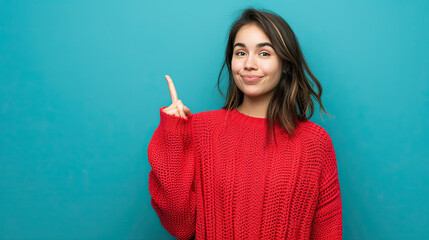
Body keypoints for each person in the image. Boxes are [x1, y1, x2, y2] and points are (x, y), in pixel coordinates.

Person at [148, 8, 342, 240]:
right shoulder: (201, 130)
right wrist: (173, 134)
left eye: (264, 53)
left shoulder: (314, 143)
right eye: (240, 53)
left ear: (286, 64)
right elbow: (180, 226)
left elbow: (327, 232)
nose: (249, 64)